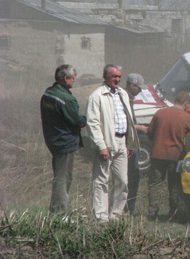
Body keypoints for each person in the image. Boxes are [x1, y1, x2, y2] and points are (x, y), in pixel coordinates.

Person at [86, 64, 139, 222]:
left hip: (122, 141)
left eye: (119, 77)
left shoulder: (123, 94)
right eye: (113, 76)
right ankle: (101, 218)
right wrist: (101, 146)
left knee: (122, 180)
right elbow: (93, 123)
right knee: (101, 180)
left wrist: (129, 143)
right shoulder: (97, 96)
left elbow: (128, 120)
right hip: (106, 142)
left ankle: (116, 215)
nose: (117, 79)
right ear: (105, 77)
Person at [40, 64, 87, 215]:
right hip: (65, 141)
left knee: (60, 176)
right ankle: (59, 212)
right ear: (65, 78)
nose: (74, 81)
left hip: (53, 139)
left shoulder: (48, 93)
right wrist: (84, 120)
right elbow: (77, 120)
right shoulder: (66, 98)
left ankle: (58, 210)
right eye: (73, 78)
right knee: (63, 177)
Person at [147, 91, 190, 220]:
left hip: (157, 154)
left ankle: (152, 212)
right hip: (175, 156)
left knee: (154, 184)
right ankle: (174, 212)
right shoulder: (188, 118)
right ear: (186, 103)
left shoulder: (159, 113)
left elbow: (150, 133)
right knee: (174, 185)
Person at [124, 73, 148, 216]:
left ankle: (128, 207)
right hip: (127, 144)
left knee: (132, 176)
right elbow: (124, 121)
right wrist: (140, 128)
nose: (140, 91)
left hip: (129, 142)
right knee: (131, 176)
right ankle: (128, 208)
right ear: (132, 86)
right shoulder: (125, 98)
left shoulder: (129, 98)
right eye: (138, 88)